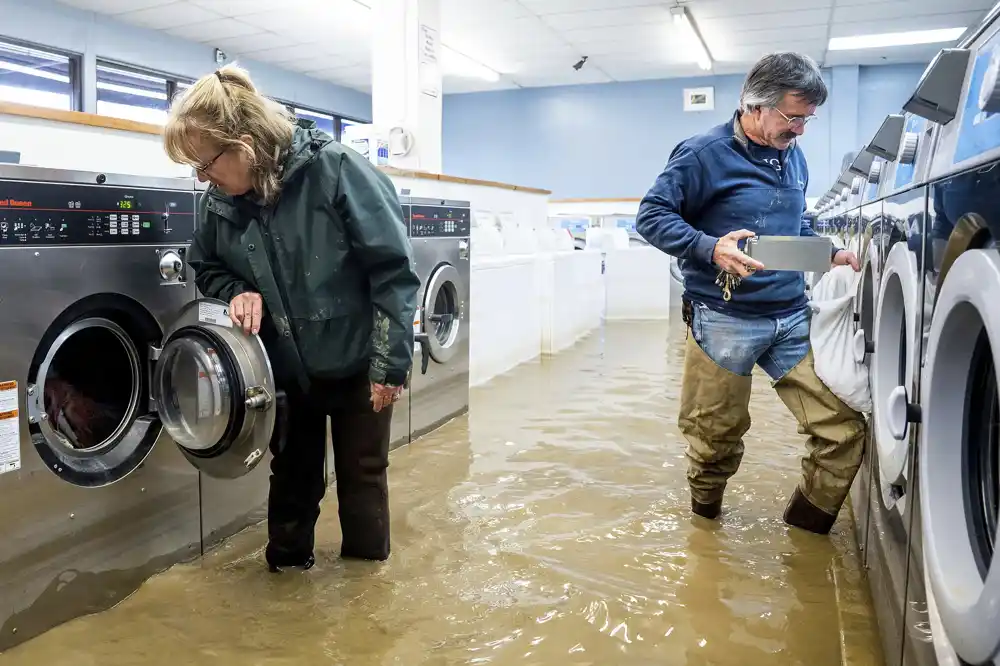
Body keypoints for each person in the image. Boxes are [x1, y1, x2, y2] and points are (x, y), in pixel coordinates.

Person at [163, 64, 420, 571]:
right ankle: (284, 579)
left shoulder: (339, 171)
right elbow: (204, 265)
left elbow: (393, 272)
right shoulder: (221, 203)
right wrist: (236, 290)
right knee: (293, 479)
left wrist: (389, 366)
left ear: (243, 145)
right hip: (283, 368)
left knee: (362, 477)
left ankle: (367, 599)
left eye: (206, 164)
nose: (203, 178)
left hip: (356, 361)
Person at [635, 52, 866, 535]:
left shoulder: (792, 155)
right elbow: (651, 216)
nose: (800, 129)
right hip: (723, 316)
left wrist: (826, 252)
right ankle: (706, 533)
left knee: (842, 432)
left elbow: (794, 220)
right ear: (754, 106)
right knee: (714, 440)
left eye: (807, 118)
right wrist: (708, 247)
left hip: (789, 317)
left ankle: (805, 537)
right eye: (792, 116)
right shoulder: (702, 154)